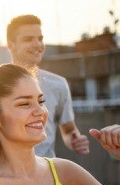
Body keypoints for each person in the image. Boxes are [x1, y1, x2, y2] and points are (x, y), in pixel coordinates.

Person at [7, 14, 90, 158]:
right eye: (28, 39)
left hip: (48, 173)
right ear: (10, 45)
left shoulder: (58, 84)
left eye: (40, 39)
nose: (37, 45)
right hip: (8, 177)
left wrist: (75, 140)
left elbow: (69, 130)